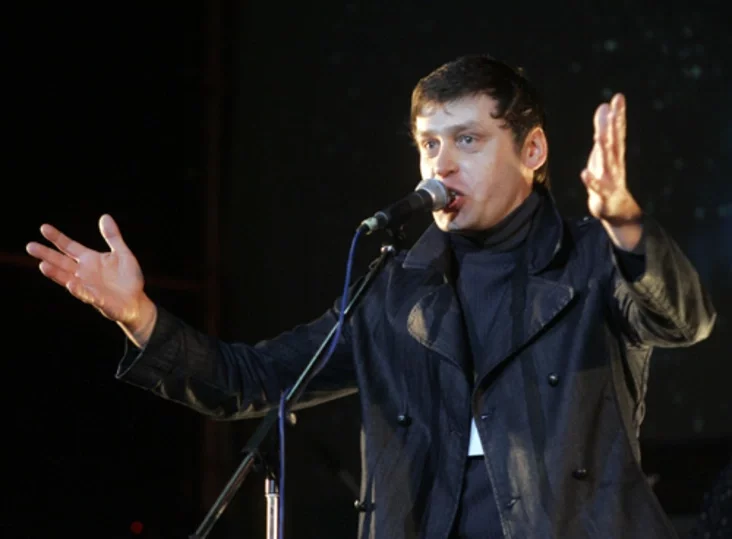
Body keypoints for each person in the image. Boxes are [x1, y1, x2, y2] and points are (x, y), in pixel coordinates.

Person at [26, 54, 716, 538]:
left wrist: (625, 219)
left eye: (467, 139)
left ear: (532, 151)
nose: (443, 164)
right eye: (429, 144)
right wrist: (140, 317)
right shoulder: (394, 288)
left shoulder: (593, 257)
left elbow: (684, 320)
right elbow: (255, 380)